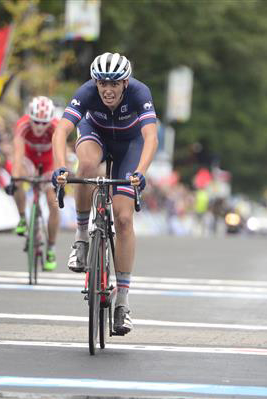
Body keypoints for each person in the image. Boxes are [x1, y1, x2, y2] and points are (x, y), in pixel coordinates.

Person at [51, 52, 158, 335]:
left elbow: (150, 137)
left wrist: (141, 172)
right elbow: (61, 132)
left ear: (125, 83)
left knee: (123, 219)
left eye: (114, 84)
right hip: (95, 136)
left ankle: (122, 301)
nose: (107, 90)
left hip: (129, 146)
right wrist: (61, 168)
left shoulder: (139, 92)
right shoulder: (86, 92)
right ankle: (82, 238)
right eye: (102, 84)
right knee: (85, 166)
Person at [9, 96, 60, 271]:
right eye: (36, 121)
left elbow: (60, 157)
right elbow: (17, 155)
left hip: (48, 162)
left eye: (43, 122)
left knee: (53, 201)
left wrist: (59, 179)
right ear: (30, 117)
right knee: (17, 177)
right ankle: (23, 218)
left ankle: (51, 248)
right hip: (29, 159)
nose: (39, 127)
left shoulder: (55, 127)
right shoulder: (22, 125)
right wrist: (15, 179)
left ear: (50, 120)